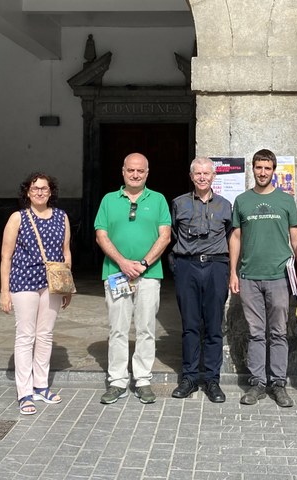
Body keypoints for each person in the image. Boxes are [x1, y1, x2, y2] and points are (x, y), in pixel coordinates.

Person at [94, 153, 171, 405]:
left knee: (146, 328)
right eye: (131, 170)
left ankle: (143, 379)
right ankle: (117, 381)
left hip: (149, 275)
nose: (135, 174)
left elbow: (165, 236)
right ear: (123, 171)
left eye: (140, 171)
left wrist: (143, 263)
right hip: (116, 273)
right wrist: (124, 263)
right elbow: (101, 236)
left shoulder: (158, 199)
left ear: (147, 173)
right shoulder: (108, 200)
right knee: (117, 328)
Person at [229, 149, 297, 407]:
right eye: (258, 167)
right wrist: (233, 273)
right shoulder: (242, 201)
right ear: (253, 169)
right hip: (249, 277)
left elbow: (295, 237)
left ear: (274, 170)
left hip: (280, 276)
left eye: (267, 168)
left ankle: (279, 384)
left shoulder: (286, 201)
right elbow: (235, 237)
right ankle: (258, 382)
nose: (262, 172)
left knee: (279, 332)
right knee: (256, 333)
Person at [0, 173, 72, 415]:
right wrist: (4, 291)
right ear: (27, 192)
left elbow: (65, 251)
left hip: (51, 283)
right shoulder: (18, 218)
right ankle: (25, 392)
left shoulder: (61, 217)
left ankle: (41, 385)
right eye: (35, 188)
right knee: (25, 336)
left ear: (51, 192)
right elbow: (6, 256)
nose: (40, 192)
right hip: (24, 281)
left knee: (45, 335)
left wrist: (67, 284)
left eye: (44, 188)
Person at [170, 157, 232, 403]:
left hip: (216, 265)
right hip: (187, 265)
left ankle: (212, 380)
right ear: (191, 175)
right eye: (198, 174)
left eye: (207, 173)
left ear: (214, 176)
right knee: (190, 326)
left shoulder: (226, 205)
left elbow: (231, 236)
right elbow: (171, 234)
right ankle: (190, 377)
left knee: (214, 327)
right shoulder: (178, 203)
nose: (203, 177)